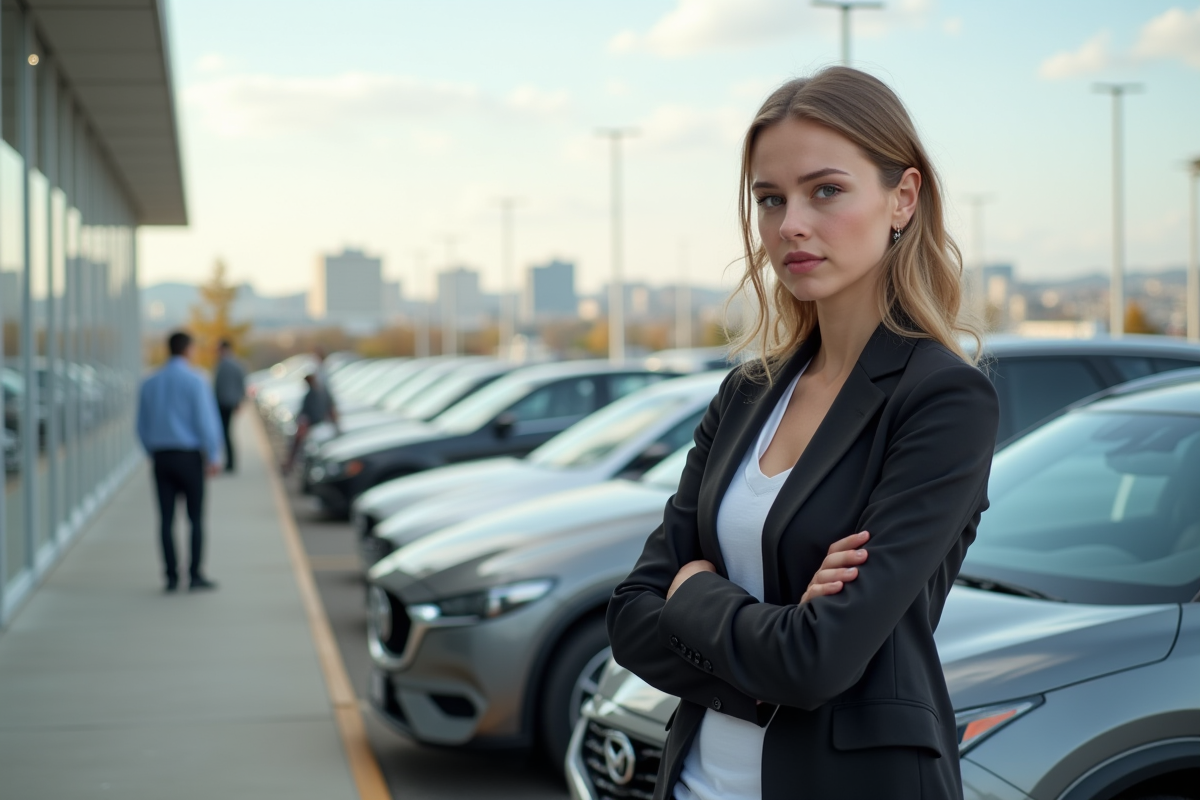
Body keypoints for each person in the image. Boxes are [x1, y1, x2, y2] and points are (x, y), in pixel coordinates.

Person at [606, 67, 998, 800]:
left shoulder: (943, 399)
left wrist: (695, 594)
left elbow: (818, 661)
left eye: (826, 191)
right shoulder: (746, 393)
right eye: (770, 198)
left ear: (902, 198)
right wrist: (772, 640)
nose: (790, 224)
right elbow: (630, 616)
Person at [137, 330, 224, 593]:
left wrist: (152, 450)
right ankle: (195, 574)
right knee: (195, 518)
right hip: (189, 457)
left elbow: (141, 425)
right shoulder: (196, 380)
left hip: (162, 457)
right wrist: (214, 454)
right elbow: (205, 421)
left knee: (166, 519)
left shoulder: (150, 382)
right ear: (188, 349)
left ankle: (171, 576)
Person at [283, 372, 333, 476]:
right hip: (314, 422)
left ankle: (290, 464)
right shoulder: (320, 391)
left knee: (297, 442)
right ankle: (290, 464)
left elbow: (311, 411)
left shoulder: (314, 393)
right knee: (297, 442)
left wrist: (305, 422)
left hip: (312, 423)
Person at [212, 339, 246, 473]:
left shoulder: (224, 364)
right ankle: (230, 462)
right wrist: (239, 401)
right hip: (229, 402)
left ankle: (230, 463)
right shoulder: (236, 363)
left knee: (225, 433)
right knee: (226, 433)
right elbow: (242, 384)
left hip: (224, 403)